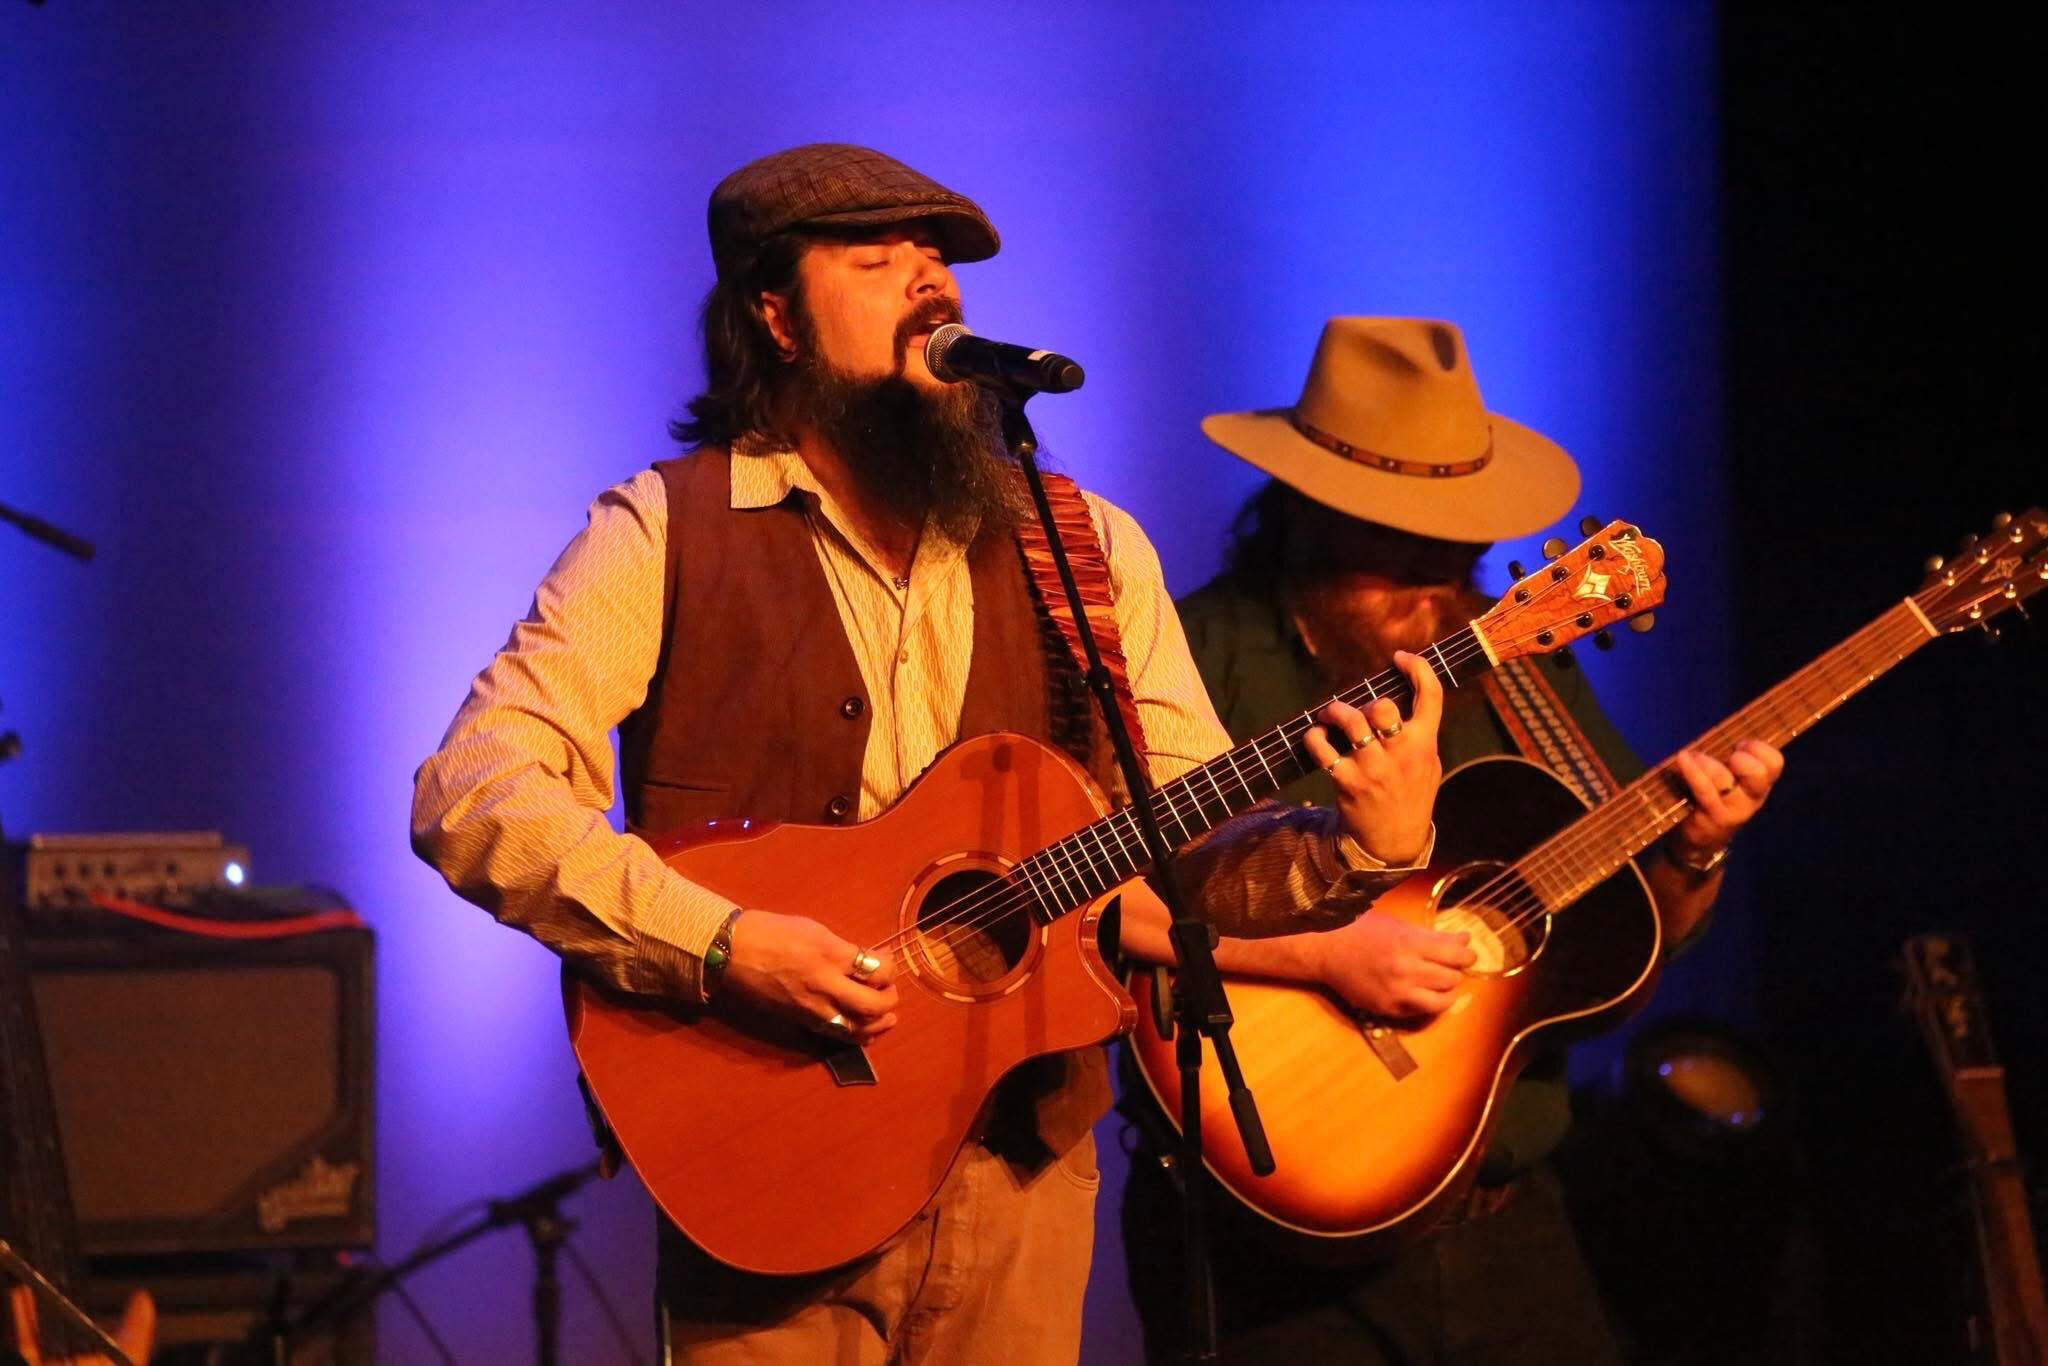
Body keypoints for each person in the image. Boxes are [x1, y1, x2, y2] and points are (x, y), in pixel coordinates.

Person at [410, 149, 1443, 1365]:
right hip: (770, 1163)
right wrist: (722, 942)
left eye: (938, 258)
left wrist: (1359, 846)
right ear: (775, 314)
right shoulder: (666, 529)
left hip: (1021, 1174)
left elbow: (1190, 856)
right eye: (876, 257)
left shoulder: (1082, 545)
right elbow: (474, 789)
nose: (929, 280)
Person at [1117, 316, 1785, 1364]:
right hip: (1265, 1247)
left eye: (1455, 536)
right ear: (1309, 513)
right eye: (1396, 536)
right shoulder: (1192, 655)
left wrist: (1692, 853)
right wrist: (1328, 953)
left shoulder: (1520, 664)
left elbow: (1616, 937)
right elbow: (1103, 909)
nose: (1435, 571)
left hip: (1500, 1217)